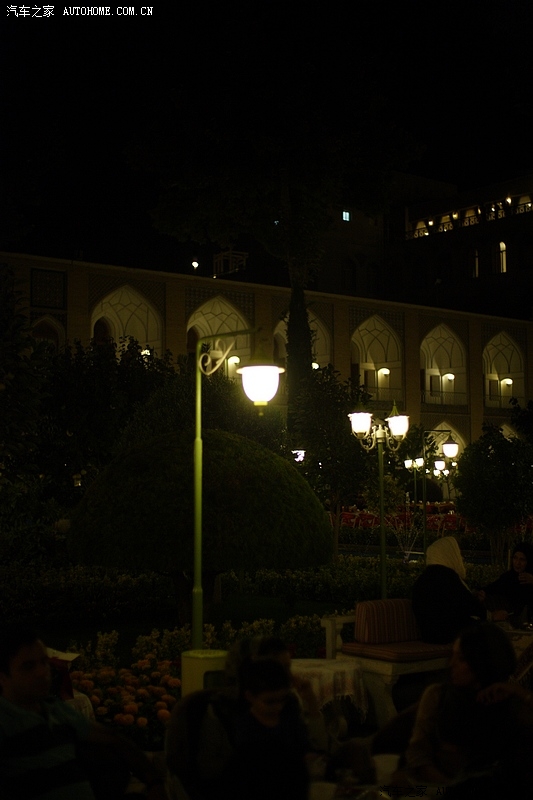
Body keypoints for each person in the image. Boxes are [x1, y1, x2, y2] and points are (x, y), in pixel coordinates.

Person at [0, 625, 167, 800]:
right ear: (2, 676)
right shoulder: (5, 720)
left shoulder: (56, 710)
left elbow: (113, 738)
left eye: (44, 662)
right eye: (28, 666)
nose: (42, 672)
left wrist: (154, 782)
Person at [392, 622, 533, 795]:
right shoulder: (438, 695)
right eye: (453, 655)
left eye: (462, 659)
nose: (452, 664)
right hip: (438, 788)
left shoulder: (508, 702)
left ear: (483, 662)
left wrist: (520, 692)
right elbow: (417, 754)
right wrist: (452, 789)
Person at [227, 658, 310, 800]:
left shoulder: (288, 717)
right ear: (250, 697)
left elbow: (304, 746)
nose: (278, 707)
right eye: (270, 702)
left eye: (282, 700)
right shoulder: (244, 726)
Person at [411, 536, 506, 644]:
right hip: (448, 634)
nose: (461, 558)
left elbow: (451, 602)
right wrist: (491, 616)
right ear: (449, 554)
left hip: (429, 636)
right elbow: (467, 604)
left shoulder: (423, 579)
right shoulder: (446, 576)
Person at [478, 541, 533, 622]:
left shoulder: (530, 578)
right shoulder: (508, 577)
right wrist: (481, 592)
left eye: (522, 560)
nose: (517, 563)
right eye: (515, 558)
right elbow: (493, 587)